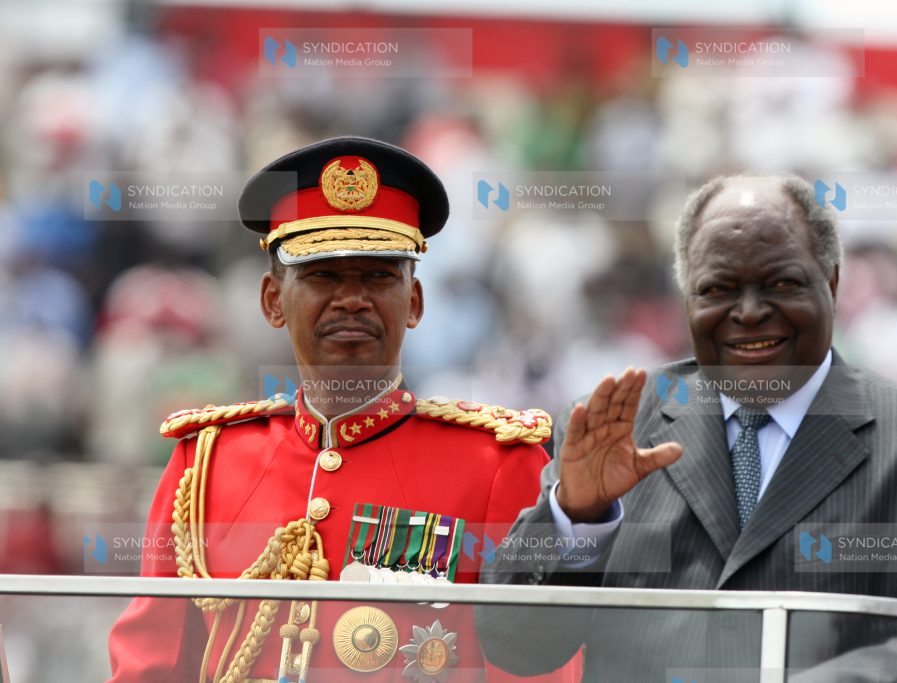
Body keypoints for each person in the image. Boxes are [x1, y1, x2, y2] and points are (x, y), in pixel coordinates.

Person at [478, 174, 897, 682]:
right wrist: (577, 519)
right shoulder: (616, 426)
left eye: (781, 282)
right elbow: (515, 647)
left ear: (831, 283)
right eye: (718, 289)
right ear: (686, 299)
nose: (750, 311)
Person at [107, 136, 569, 682]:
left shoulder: (497, 465)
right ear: (272, 301)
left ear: (414, 302)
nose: (352, 299)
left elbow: (533, 667)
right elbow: (150, 664)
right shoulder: (204, 465)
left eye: (378, 276)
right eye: (323, 276)